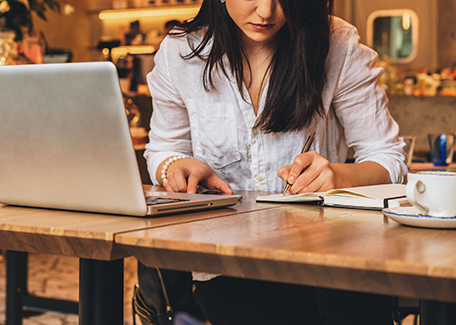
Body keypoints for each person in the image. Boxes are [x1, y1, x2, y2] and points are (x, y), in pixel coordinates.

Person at [144, 0, 407, 323]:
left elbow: (387, 157)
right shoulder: (182, 52)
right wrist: (175, 166)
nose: (267, 12)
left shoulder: (336, 43)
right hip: (225, 265)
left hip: (333, 261)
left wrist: (337, 177)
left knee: (350, 293)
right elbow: (163, 149)